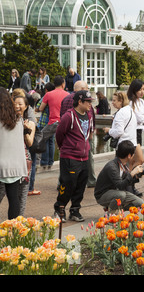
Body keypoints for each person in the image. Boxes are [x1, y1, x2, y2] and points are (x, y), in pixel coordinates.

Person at [54, 90, 94, 222]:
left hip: (84, 157)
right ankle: (59, 209)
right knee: (68, 184)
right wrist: (65, 148)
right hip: (70, 157)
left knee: (81, 185)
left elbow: (88, 132)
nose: (90, 104)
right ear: (79, 102)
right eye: (87, 102)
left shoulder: (88, 115)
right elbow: (59, 134)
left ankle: (75, 210)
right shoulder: (69, 116)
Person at [60, 80, 97, 188]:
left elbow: (62, 116)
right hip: (82, 134)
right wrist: (91, 132)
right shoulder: (83, 100)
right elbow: (89, 116)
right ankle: (90, 180)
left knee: (66, 158)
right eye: (86, 89)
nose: (88, 91)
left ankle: (62, 182)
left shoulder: (65, 99)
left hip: (68, 134)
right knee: (87, 157)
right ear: (81, 90)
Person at [0, 88, 29, 219]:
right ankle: (13, 231)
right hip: (16, 165)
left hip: (1, 163)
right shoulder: (18, 119)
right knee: (14, 199)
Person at [94, 140, 144, 213]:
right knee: (121, 195)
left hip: (116, 192)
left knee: (140, 203)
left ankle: (119, 208)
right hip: (102, 195)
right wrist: (132, 174)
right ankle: (111, 214)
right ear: (129, 155)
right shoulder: (112, 166)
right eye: (133, 154)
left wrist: (135, 177)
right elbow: (120, 185)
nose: (134, 156)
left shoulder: (124, 164)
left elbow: (126, 182)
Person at [13, 95, 37, 215]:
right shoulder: (9, 121)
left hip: (24, 161)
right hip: (11, 161)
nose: (17, 106)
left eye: (20, 104)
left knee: (22, 196)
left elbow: (30, 143)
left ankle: (19, 221)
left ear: (26, 106)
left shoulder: (30, 123)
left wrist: (25, 130)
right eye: (15, 103)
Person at [127, 79, 144, 166]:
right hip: (133, 131)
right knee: (135, 156)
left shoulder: (142, 102)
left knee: (137, 155)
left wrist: (143, 118)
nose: (142, 92)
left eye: (143, 89)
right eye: (139, 90)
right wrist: (143, 118)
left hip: (139, 130)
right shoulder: (131, 103)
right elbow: (140, 118)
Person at [35, 82, 56, 171]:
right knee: (51, 142)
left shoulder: (46, 96)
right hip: (53, 122)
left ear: (46, 90)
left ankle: (44, 163)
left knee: (44, 142)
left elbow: (38, 108)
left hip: (44, 122)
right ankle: (50, 162)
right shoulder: (55, 97)